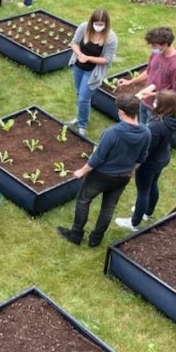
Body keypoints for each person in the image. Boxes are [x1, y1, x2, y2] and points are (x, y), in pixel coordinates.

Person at [57, 94, 151, 248]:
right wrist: (130, 171)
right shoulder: (146, 133)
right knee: (109, 207)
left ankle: (76, 235)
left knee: (83, 200)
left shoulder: (112, 133)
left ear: (121, 112)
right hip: (123, 177)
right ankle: (95, 240)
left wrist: (82, 170)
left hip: (101, 176)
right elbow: (141, 158)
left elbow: (98, 158)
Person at [115, 91, 176, 231]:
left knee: (143, 191)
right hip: (163, 158)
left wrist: (135, 164)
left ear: (164, 105)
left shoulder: (156, 126)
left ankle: (134, 223)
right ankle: (148, 212)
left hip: (150, 163)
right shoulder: (174, 118)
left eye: (157, 101)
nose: (154, 102)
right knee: (153, 184)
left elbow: (147, 149)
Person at [116, 26, 176, 125]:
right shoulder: (156, 54)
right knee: (141, 129)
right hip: (144, 102)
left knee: (150, 136)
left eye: (154, 45)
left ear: (165, 44)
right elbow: (148, 72)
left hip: (158, 109)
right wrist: (130, 82)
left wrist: (153, 94)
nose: (152, 48)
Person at [68, 9, 119, 137]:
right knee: (79, 94)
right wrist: (79, 54)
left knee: (84, 99)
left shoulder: (111, 38)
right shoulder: (83, 27)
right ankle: (79, 116)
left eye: (101, 24)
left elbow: (107, 59)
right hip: (79, 67)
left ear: (106, 24)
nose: (98, 26)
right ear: (92, 22)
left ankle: (82, 125)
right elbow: (74, 43)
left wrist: (88, 58)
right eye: (96, 23)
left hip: (93, 72)